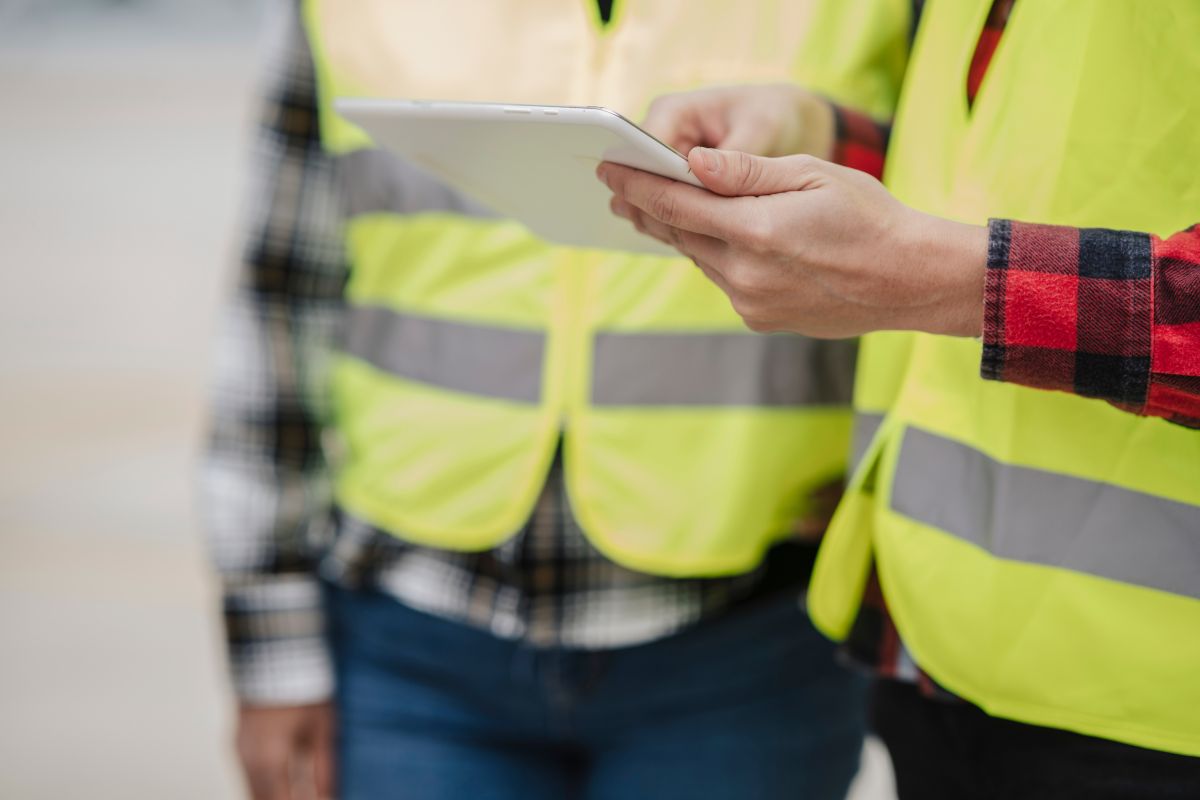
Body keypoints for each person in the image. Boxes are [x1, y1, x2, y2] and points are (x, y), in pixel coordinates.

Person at [202, 1, 917, 798]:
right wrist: (273, 646)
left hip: (751, 640)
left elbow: (937, 238)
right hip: (414, 637)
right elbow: (280, 300)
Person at [599, 0, 1200, 797]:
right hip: (940, 664)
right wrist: (819, 137)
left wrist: (954, 282)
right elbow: (1013, 164)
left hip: (1160, 711)